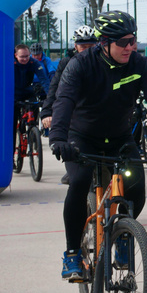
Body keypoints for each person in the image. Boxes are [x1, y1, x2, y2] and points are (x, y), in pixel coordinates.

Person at [49, 10, 147, 281]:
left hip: (119, 138)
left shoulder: (140, 65)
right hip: (82, 136)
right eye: (123, 42)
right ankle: (72, 253)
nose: (130, 47)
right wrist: (58, 139)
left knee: (136, 189)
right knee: (79, 181)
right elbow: (63, 101)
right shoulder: (80, 64)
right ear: (104, 43)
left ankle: (123, 235)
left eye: (133, 40)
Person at [41, 25, 98, 184]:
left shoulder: (102, 61)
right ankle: (73, 168)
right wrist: (47, 112)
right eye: (83, 46)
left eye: (91, 46)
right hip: (74, 106)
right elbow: (55, 87)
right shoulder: (67, 62)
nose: (87, 50)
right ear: (75, 46)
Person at [13, 44, 50, 139]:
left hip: (28, 92)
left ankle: (33, 130)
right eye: (22, 57)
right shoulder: (11, 63)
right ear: (16, 55)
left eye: (27, 56)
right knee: (13, 121)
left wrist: (50, 96)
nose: (25, 59)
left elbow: (44, 80)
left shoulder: (34, 62)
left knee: (34, 107)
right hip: (14, 94)